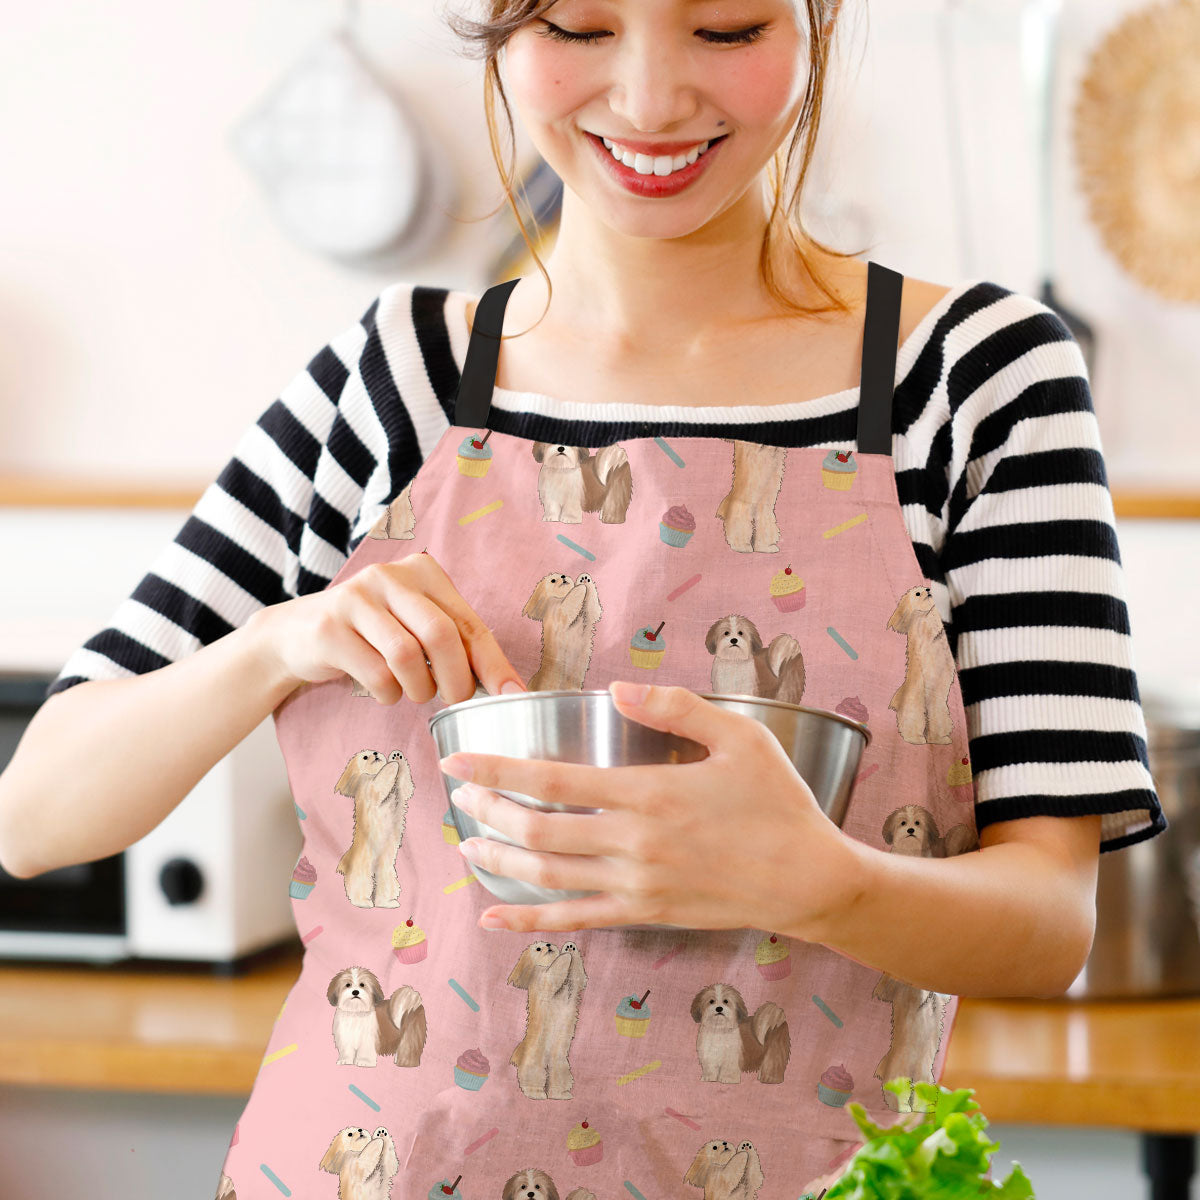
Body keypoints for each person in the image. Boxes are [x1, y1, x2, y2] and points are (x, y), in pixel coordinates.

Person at [0, 0, 1166, 1195]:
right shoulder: (394, 379)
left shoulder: (974, 382)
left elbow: (1047, 922)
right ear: (499, 31)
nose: (653, 100)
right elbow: (35, 815)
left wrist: (821, 883)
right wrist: (274, 643)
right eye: (578, 26)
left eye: (726, 29)